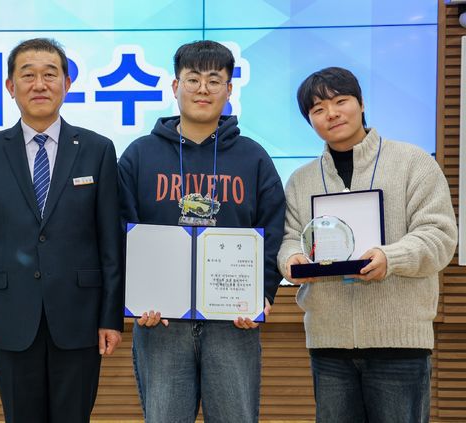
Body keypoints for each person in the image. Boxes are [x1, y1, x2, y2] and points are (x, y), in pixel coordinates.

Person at [118, 40, 285, 423]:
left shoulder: (253, 157)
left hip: (233, 321)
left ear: (229, 89)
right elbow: (120, 231)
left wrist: (262, 293)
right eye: (193, 79)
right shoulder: (139, 155)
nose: (203, 89)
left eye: (214, 80)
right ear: (175, 87)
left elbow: (274, 227)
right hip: (161, 321)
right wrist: (135, 296)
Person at [277, 67, 457, 423]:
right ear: (309, 121)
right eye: (318, 109)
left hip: (399, 344)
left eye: (340, 101)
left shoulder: (413, 162)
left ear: (361, 104)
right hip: (328, 344)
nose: (331, 114)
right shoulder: (300, 180)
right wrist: (292, 260)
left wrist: (391, 258)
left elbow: (439, 235)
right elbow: (289, 237)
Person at [0, 38, 123, 423]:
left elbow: (111, 244)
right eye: (27, 75)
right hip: (10, 317)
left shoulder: (97, 149)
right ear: (10, 86)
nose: (39, 84)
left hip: (80, 318)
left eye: (50, 75)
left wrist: (110, 318)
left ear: (67, 84)